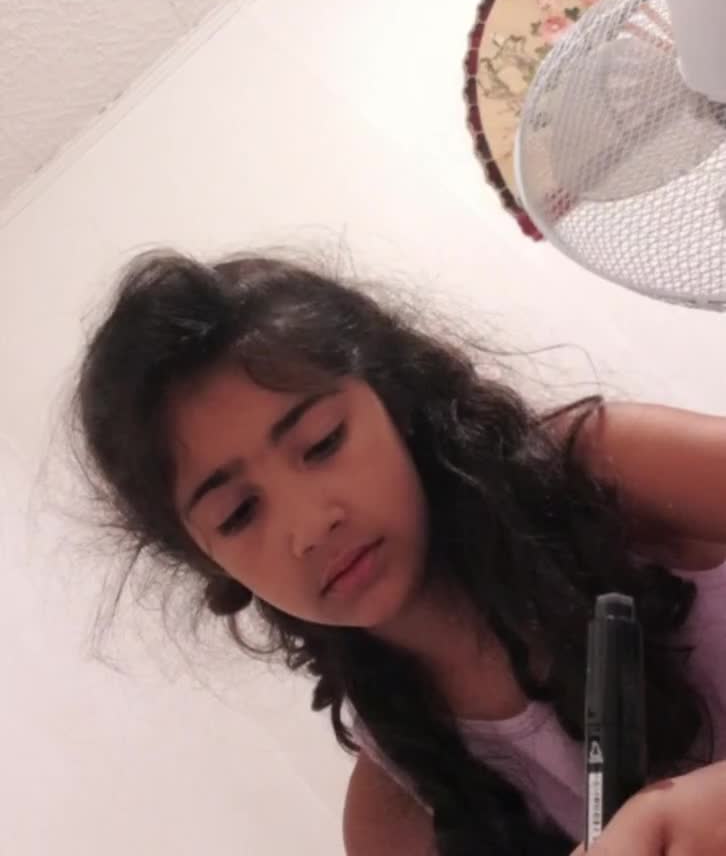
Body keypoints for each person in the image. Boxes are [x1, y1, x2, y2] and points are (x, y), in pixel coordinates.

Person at [72, 249, 726, 855]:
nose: (310, 526)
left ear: (393, 396)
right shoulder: (393, 817)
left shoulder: (601, 471)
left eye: (323, 443)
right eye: (238, 514)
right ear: (211, 563)